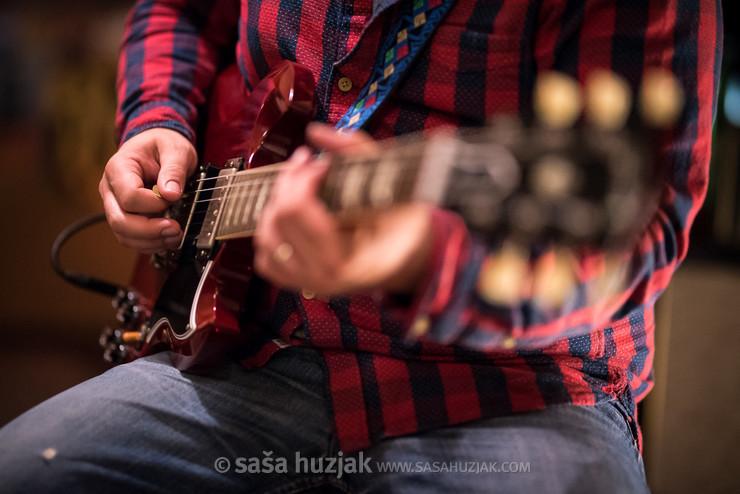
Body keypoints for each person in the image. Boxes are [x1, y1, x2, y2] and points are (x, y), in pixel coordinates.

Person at [0, 0, 722, 492]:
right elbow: (183, 11)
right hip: (248, 347)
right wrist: (157, 119)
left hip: (516, 388)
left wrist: (424, 259)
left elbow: (639, 233)